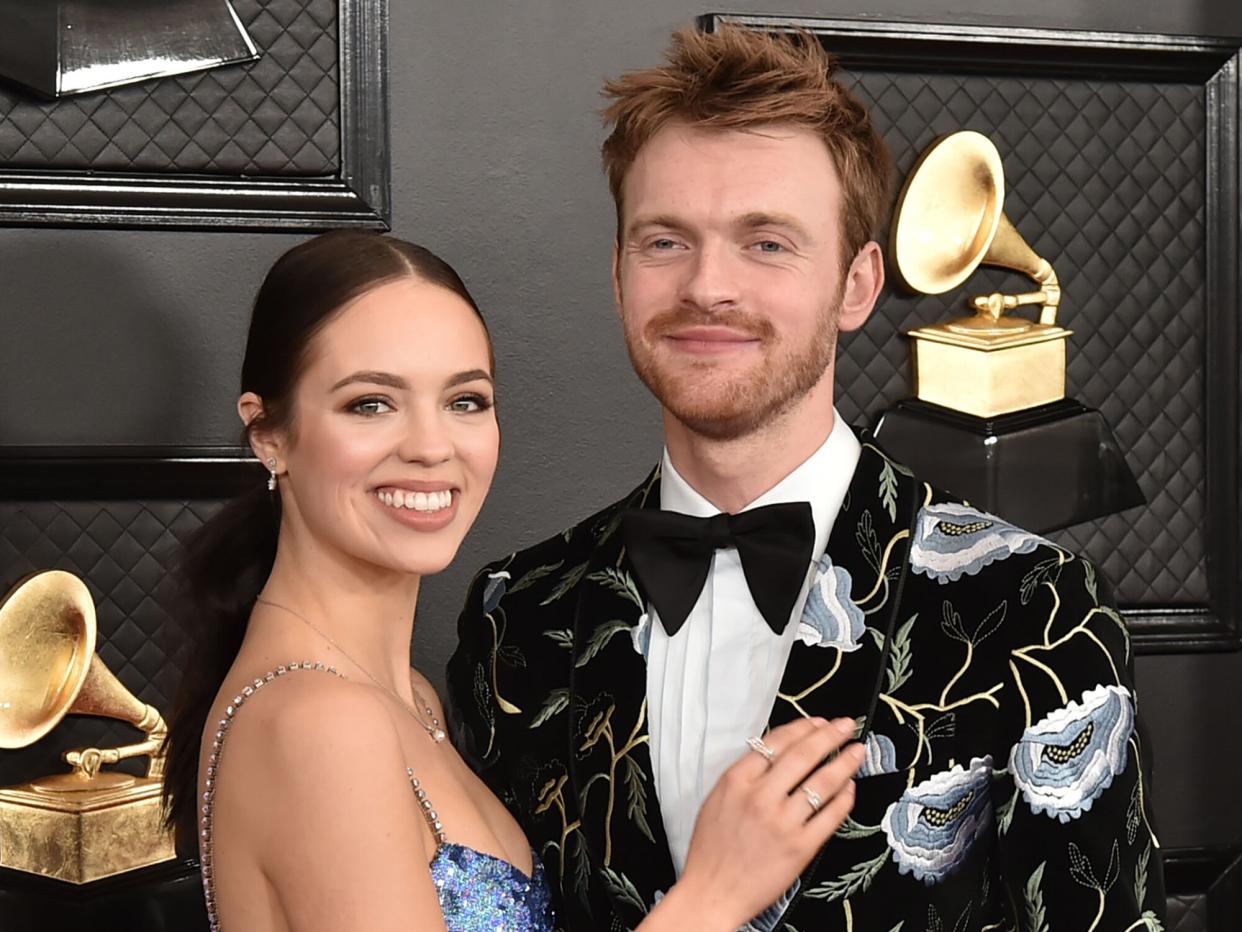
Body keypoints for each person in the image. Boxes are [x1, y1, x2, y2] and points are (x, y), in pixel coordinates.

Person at [446, 26, 1166, 932]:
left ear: (857, 284)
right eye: (665, 241)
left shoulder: (1037, 608)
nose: (708, 286)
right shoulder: (518, 614)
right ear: (619, 274)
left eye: (768, 244)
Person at [160, 230, 862, 932]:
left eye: (464, 401)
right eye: (371, 404)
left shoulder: (409, 698)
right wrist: (715, 894)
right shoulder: (318, 724)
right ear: (269, 434)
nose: (432, 447)